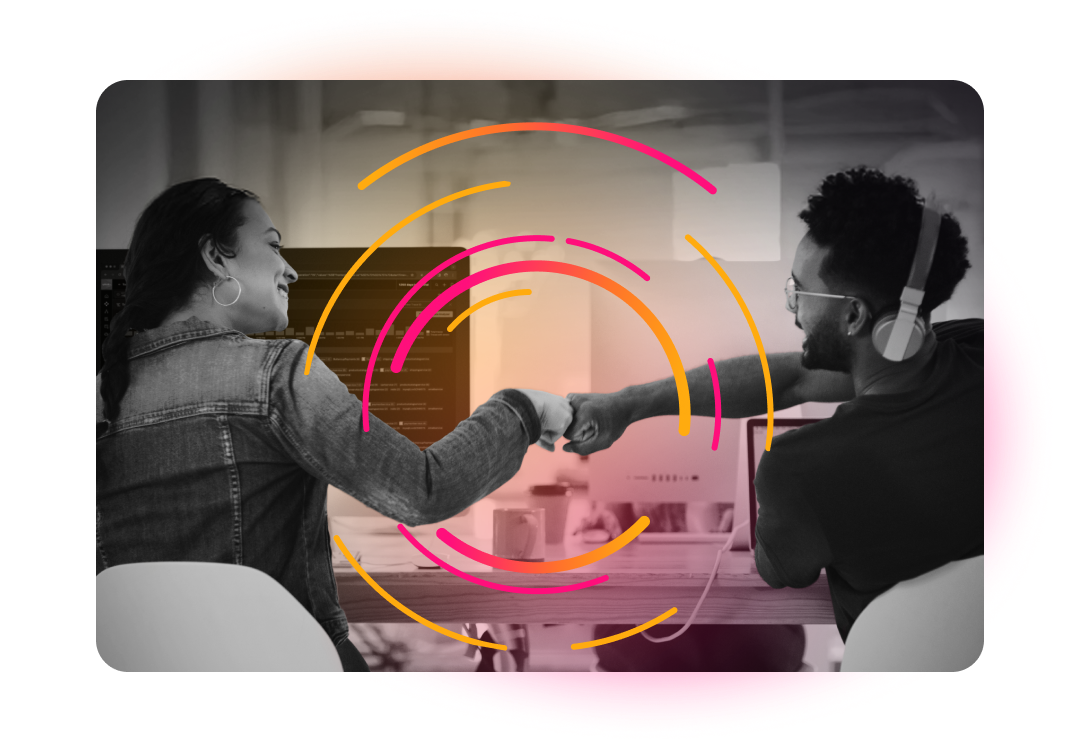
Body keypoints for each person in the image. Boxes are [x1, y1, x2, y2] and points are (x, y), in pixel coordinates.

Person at [95, 178, 573, 672]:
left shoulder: (104, 394)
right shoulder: (277, 373)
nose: (292, 270)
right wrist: (523, 410)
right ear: (217, 257)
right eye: (274, 245)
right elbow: (425, 490)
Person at [563, 167, 981, 668]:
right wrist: (629, 404)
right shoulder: (989, 355)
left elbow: (780, 569)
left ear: (853, 317)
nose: (793, 310)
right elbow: (790, 378)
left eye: (799, 292)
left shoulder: (801, 470)